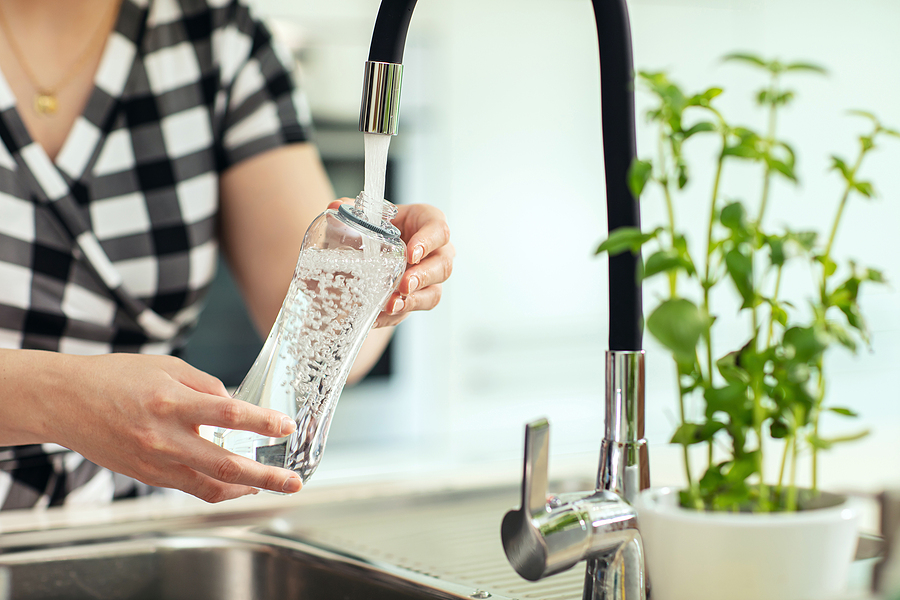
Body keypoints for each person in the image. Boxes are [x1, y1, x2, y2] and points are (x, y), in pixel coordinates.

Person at [0, 0, 454, 510]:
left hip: (119, 525)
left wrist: (374, 287)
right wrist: (61, 401)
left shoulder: (219, 42)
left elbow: (310, 341)